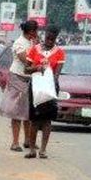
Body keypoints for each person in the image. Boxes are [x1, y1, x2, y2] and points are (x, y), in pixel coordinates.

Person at [25, 25, 65, 159]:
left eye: (52, 39)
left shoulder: (59, 52)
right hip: (35, 87)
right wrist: (37, 68)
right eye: (48, 38)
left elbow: (57, 74)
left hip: (50, 89)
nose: (49, 41)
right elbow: (26, 69)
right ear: (45, 35)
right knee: (34, 119)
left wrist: (49, 79)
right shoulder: (34, 50)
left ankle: (43, 149)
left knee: (47, 120)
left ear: (55, 39)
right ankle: (31, 149)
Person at [0, 20, 38, 152]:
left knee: (28, 111)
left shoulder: (32, 42)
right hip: (17, 77)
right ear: (30, 32)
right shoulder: (19, 43)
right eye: (35, 31)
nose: (36, 33)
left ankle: (27, 140)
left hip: (29, 78)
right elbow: (27, 61)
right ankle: (15, 142)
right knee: (17, 111)